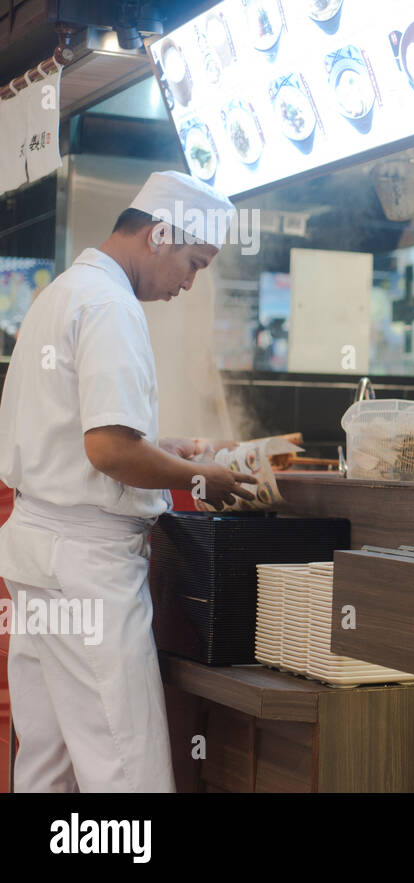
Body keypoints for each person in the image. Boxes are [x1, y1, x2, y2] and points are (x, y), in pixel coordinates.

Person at [0, 170, 258, 792]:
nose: (189, 283)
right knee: (124, 766)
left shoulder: (65, 291)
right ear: (159, 235)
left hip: (39, 554)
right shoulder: (111, 305)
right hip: (85, 565)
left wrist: (168, 448)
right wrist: (200, 477)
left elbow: (78, 436)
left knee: (50, 756)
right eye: (193, 263)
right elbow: (109, 449)